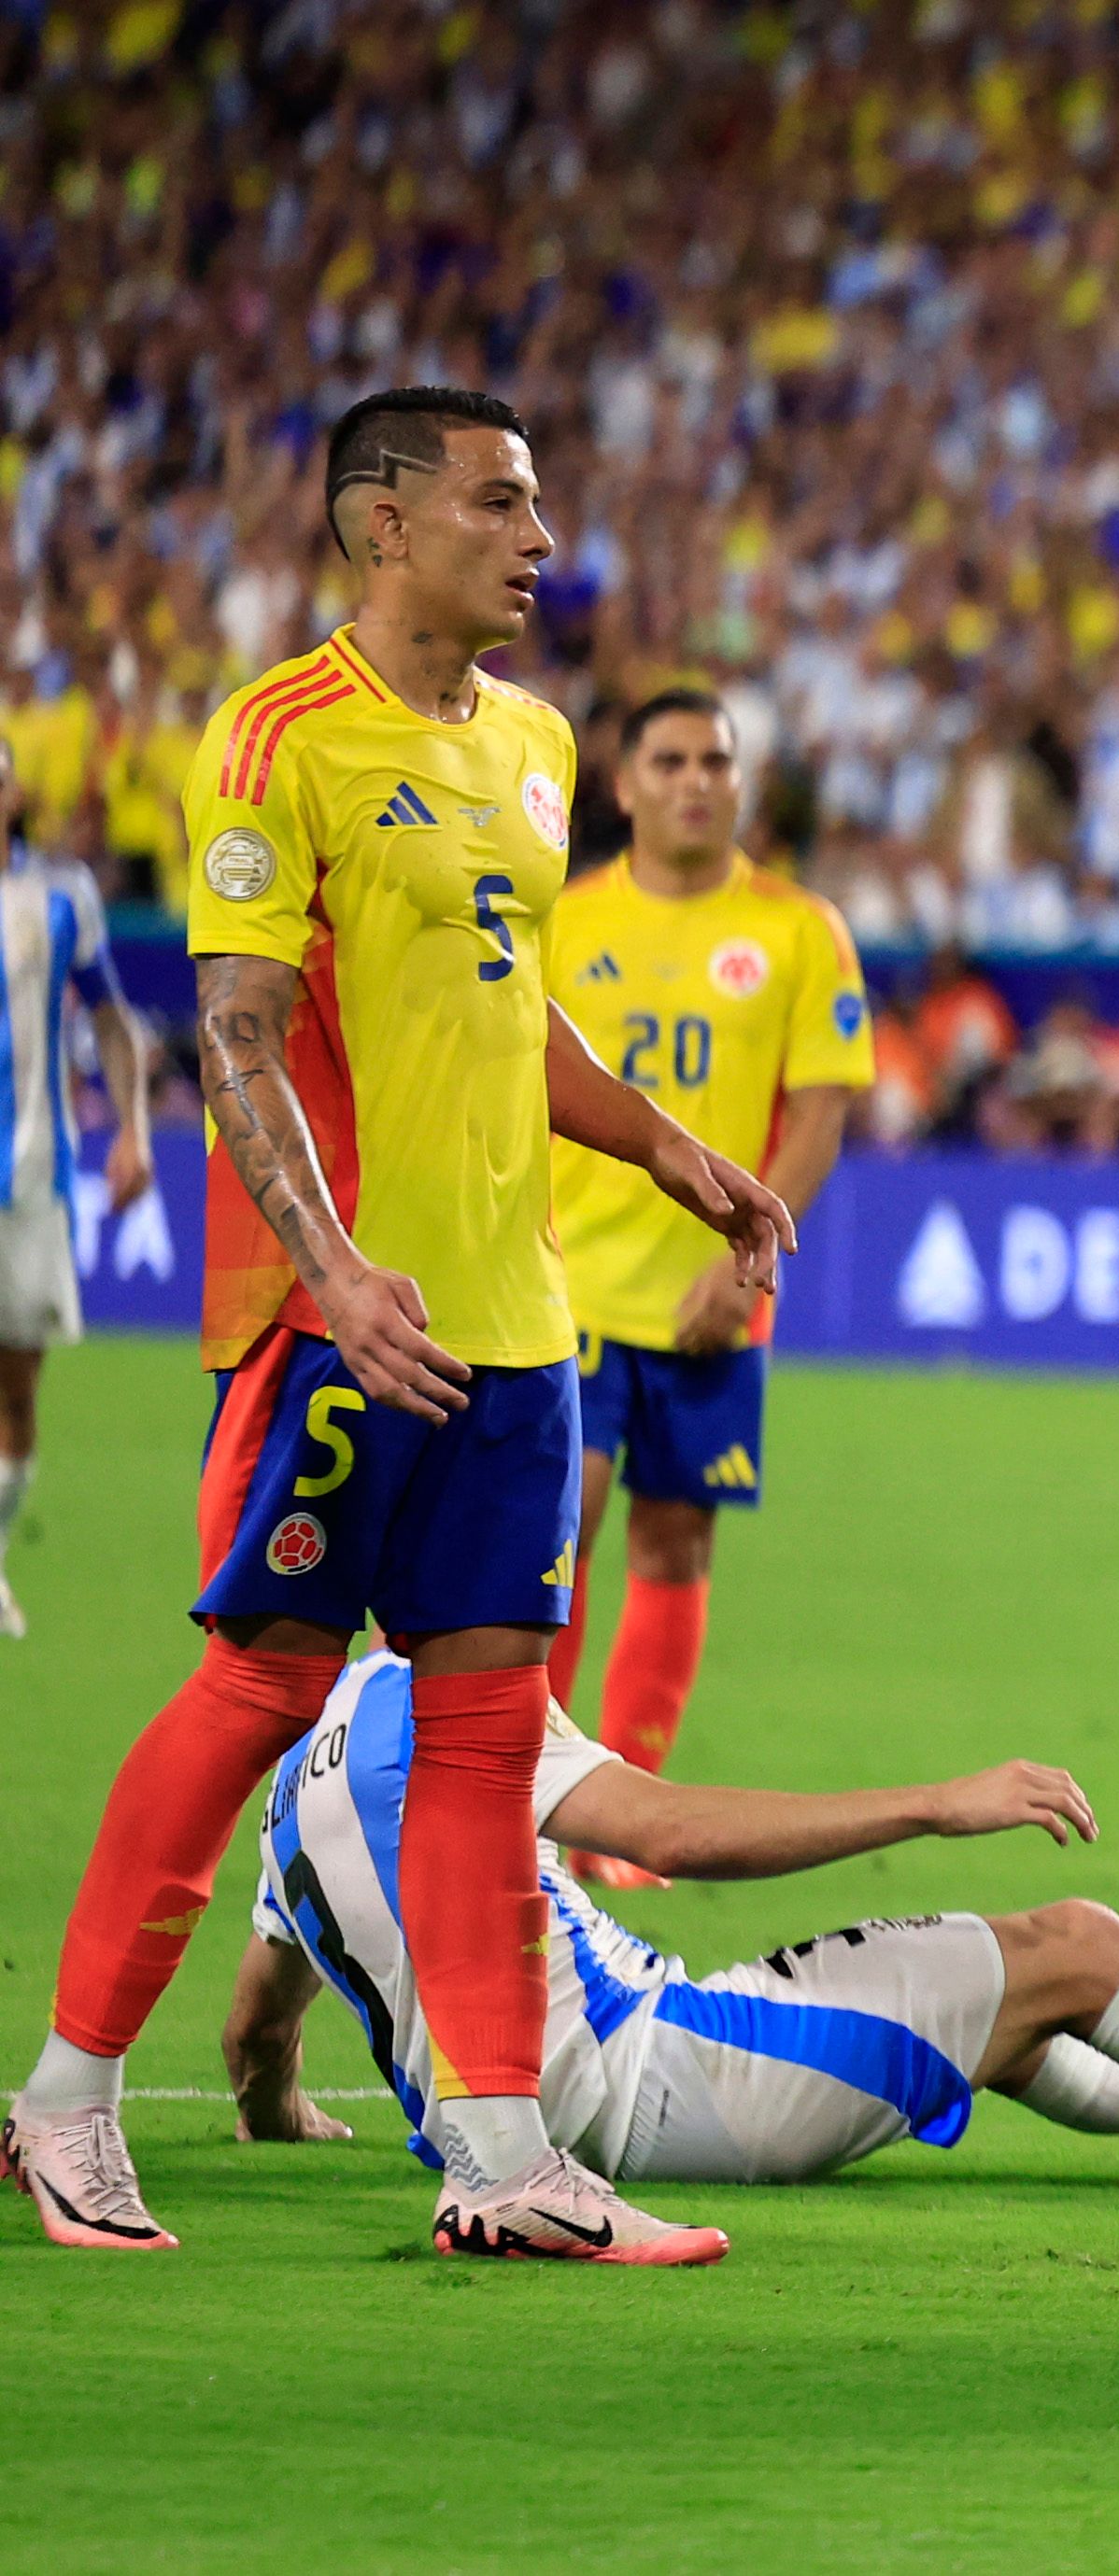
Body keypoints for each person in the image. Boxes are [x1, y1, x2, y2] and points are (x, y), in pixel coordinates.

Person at [5, 387, 797, 2264]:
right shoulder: (277, 735)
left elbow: (522, 1028)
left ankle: (508, 2152)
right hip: (332, 1319)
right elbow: (238, 1041)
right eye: (500, 503)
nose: (539, 539)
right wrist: (341, 1268)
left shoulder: (527, 743)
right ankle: (61, 2103)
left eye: (539, 505)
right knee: (262, 1685)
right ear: (382, 526)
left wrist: (677, 1146)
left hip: (519, 1327)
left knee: (480, 1723)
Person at [219, 1653, 1119, 2209]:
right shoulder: (451, 1696)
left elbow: (254, 2028)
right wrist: (937, 1801)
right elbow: (669, 1832)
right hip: (659, 2083)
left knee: (1001, 2018)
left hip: (531, 2111)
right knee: (1073, 1947)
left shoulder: (300, 1775)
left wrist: (278, 2114)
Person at [542, 689, 872, 1832]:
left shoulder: (797, 927)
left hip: (715, 1293)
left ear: (741, 783)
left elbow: (821, 1113)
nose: (696, 779)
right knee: (559, 1529)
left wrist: (744, 1266)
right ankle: (534, 1790)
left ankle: (633, 1813)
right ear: (624, 784)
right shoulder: (560, 918)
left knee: (675, 1538)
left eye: (716, 761)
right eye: (670, 758)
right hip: (564, 1279)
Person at [1, 732, 155, 1640]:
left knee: (17, 1390)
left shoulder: (63, 895)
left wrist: (134, 1125)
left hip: (31, 1173)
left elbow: (111, 1014)